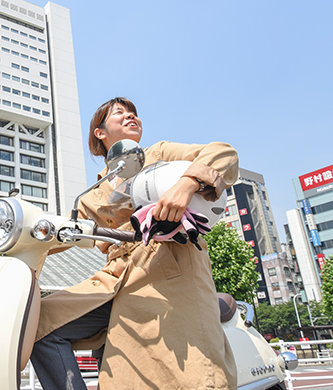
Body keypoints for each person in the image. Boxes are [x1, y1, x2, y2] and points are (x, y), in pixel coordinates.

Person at [30, 97, 238, 389]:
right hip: (115, 279)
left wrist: (187, 182)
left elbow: (223, 153)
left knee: (190, 374)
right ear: (99, 133)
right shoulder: (95, 192)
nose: (131, 116)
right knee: (39, 325)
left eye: (134, 113)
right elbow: (61, 229)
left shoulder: (158, 153)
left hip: (167, 269)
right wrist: (17, 237)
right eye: (120, 113)